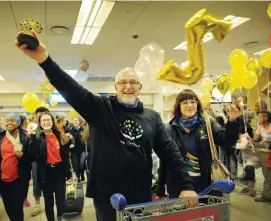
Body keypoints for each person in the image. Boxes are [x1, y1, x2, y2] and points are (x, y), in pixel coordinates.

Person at [16, 31, 197, 221]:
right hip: (107, 195)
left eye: (133, 82)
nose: (128, 86)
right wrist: (44, 60)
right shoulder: (101, 109)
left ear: (140, 88)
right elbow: (71, 89)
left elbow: (171, 152)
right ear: (115, 87)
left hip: (140, 194)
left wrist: (187, 185)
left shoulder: (151, 117)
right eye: (123, 82)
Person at [157, 89, 241, 198]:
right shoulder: (170, 128)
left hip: (204, 185)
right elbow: (164, 160)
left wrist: (233, 121)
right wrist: (160, 189)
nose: (190, 105)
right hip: (179, 186)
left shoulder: (207, 124)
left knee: (204, 214)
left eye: (193, 102)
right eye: (185, 102)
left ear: (197, 104)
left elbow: (226, 141)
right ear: (178, 106)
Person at [28, 112, 72, 221]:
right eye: (44, 120)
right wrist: (32, 138)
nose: (46, 122)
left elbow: (66, 156)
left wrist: (69, 173)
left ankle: (60, 217)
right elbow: (32, 156)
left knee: (60, 200)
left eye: (48, 120)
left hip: (59, 171)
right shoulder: (37, 137)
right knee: (49, 202)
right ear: (40, 123)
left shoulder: (59, 135)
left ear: (52, 121)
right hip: (45, 172)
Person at [253, 111, 271, 202]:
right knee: (266, 173)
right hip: (263, 154)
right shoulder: (260, 127)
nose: (258, 119)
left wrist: (265, 141)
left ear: (265, 118)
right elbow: (256, 139)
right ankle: (268, 194)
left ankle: (268, 194)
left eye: (259, 117)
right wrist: (248, 139)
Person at [30, 106, 50, 216]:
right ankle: (37, 205)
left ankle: (52, 203)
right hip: (37, 161)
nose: (41, 119)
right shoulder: (35, 130)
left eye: (43, 116)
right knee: (36, 181)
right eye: (39, 117)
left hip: (50, 161)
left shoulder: (53, 128)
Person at [68, 117, 86, 182]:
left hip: (82, 150)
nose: (75, 121)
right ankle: (78, 177)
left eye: (76, 120)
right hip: (74, 150)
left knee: (81, 164)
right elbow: (69, 139)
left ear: (79, 122)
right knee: (75, 165)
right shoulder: (70, 130)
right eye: (74, 120)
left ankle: (82, 174)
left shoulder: (83, 129)